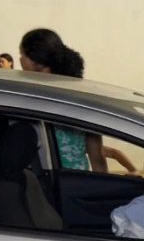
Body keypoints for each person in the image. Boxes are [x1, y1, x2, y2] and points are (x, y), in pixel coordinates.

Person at [19, 28, 108, 172]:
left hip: (45, 182)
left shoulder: (31, 97)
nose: (20, 60)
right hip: (77, 181)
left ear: (36, 60)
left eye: (22, 55)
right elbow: (97, 158)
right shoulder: (81, 98)